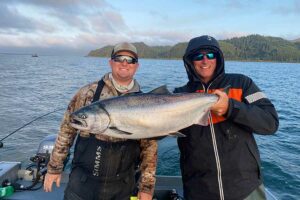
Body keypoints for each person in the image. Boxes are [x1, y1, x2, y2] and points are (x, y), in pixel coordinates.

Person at [44, 42, 157, 200]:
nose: (124, 63)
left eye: (130, 59)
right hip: (82, 184)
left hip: (122, 187)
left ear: (136, 66)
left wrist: (146, 187)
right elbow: (66, 131)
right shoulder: (86, 93)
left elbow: (149, 147)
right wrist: (54, 168)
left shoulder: (147, 102)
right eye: (119, 58)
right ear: (110, 62)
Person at [174, 35, 279, 200]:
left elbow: (270, 123)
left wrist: (230, 107)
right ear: (190, 61)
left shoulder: (242, 83)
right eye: (198, 56)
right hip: (199, 191)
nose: (205, 61)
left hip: (246, 189)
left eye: (210, 55)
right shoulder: (179, 94)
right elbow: (162, 130)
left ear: (218, 58)